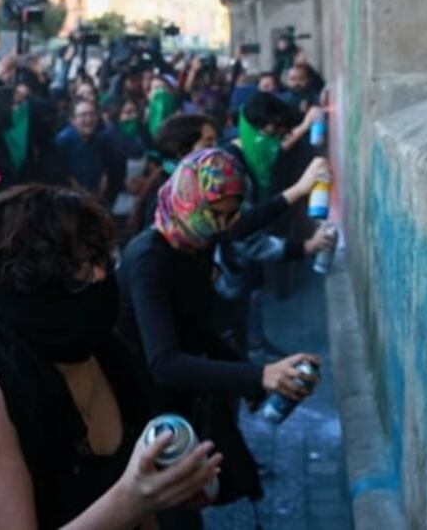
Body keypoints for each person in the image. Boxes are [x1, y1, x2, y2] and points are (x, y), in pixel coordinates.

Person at [0, 184, 222, 529]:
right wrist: (130, 500)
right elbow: (131, 500)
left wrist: (165, 492)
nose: (101, 278)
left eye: (101, 260)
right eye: (79, 269)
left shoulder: (109, 357)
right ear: (26, 286)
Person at [119, 148, 322, 526]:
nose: (225, 225)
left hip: (182, 405)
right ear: (190, 200)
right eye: (219, 214)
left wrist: (255, 378)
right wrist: (257, 376)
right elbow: (164, 362)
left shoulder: (196, 239)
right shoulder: (150, 259)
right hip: (144, 413)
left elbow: (196, 328)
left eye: (231, 214)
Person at [55, 99, 110, 197]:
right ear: (72, 119)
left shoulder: (98, 140)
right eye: (83, 115)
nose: (89, 119)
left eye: (92, 114)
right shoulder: (62, 141)